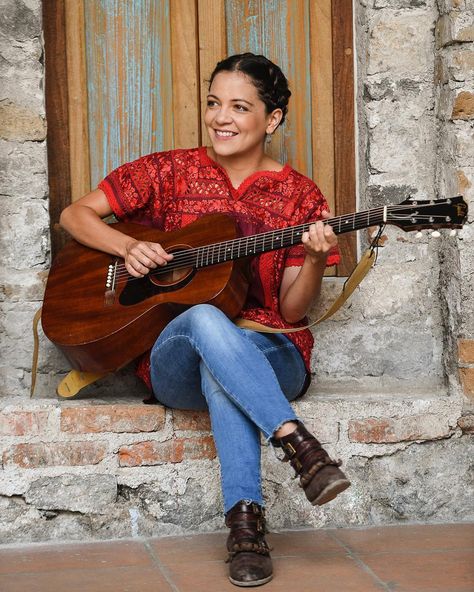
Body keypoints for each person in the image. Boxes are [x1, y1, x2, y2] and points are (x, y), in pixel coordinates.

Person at [59, 53, 350, 587]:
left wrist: (312, 256)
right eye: (215, 103)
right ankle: (296, 442)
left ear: (273, 118)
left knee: (225, 365)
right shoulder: (169, 170)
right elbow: (74, 215)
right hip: (175, 361)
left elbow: (291, 311)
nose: (222, 117)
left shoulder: (300, 196)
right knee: (202, 315)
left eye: (240, 107)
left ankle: (245, 531)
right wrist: (128, 246)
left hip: (270, 349)